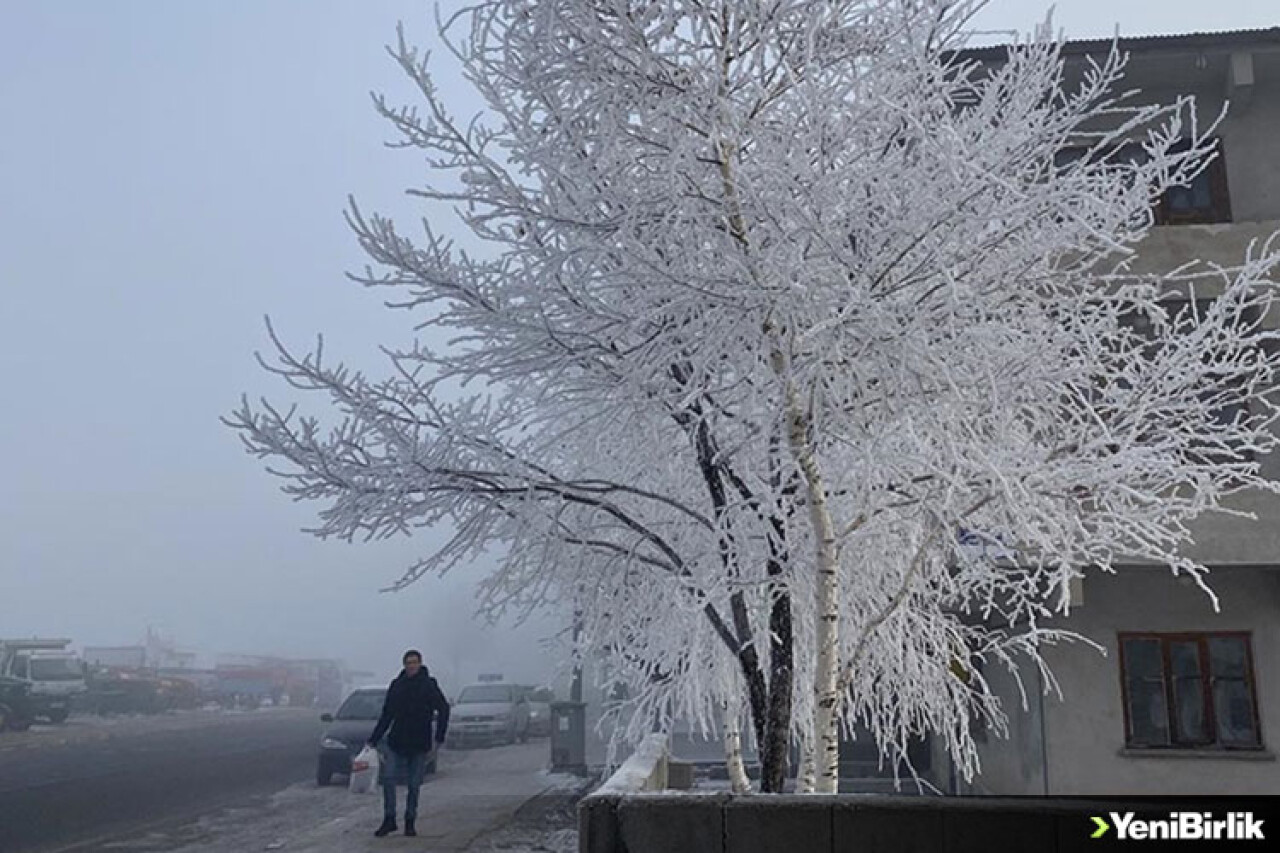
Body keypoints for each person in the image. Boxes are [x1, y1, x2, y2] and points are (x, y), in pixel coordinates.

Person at [367, 649, 450, 838]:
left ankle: (410, 821)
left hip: (420, 742)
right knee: (388, 779)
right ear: (404, 665)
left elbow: (443, 709)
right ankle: (389, 819)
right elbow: (387, 714)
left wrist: (439, 737)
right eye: (408, 663)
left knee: (414, 784)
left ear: (420, 664)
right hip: (396, 740)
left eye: (414, 662)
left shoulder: (428, 685)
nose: (411, 666)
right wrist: (373, 739)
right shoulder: (397, 685)